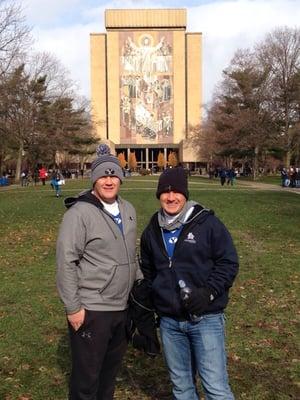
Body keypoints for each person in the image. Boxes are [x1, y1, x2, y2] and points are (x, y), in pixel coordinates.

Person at [140, 167, 239, 400]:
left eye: (176, 192)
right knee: (182, 389)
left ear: (185, 194)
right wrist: (157, 298)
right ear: (158, 195)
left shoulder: (207, 223)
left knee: (216, 388)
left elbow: (228, 262)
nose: (171, 197)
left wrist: (209, 292)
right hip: (170, 323)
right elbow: (148, 269)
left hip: (206, 319)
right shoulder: (152, 229)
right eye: (165, 192)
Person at [56, 144, 142, 400]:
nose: (108, 180)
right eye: (103, 176)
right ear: (94, 179)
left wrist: (139, 287)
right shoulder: (79, 213)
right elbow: (65, 261)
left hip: (122, 308)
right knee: (87, 380)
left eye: (113, 175)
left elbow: (129, 254)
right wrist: (73, 307)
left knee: (108, 376)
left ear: (120, 178)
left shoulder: (128, 210)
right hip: (93, 309)